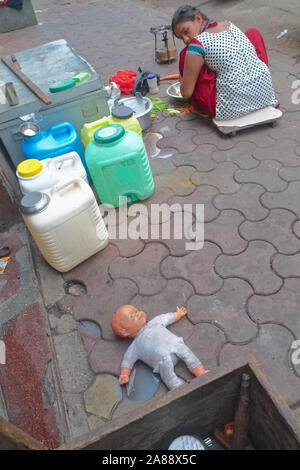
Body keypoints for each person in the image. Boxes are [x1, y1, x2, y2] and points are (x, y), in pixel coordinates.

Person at [172, 5, 278, 120]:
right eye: (181, 38)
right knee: (252, 33)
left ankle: (200, 109)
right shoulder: (228, 24)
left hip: (231, 109)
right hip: (264, 97)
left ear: (198, 18)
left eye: (186, 31)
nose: (186, 39)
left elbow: (186, 93)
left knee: (185, 54)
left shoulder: (196, 45)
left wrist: (183, 81)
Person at [111, 304, 209, 390]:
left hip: (175, 345)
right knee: (167, 375)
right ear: (125, 332)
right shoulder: (135, 346)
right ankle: (179, 388)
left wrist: (177, 314)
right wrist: (124, 374)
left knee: (187, 353)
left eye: (136, 311)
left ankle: (200, 371)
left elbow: (166, 318)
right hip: (163, 361)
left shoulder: (154, 322)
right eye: (132, 316)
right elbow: (127, 360)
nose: (138, 314)